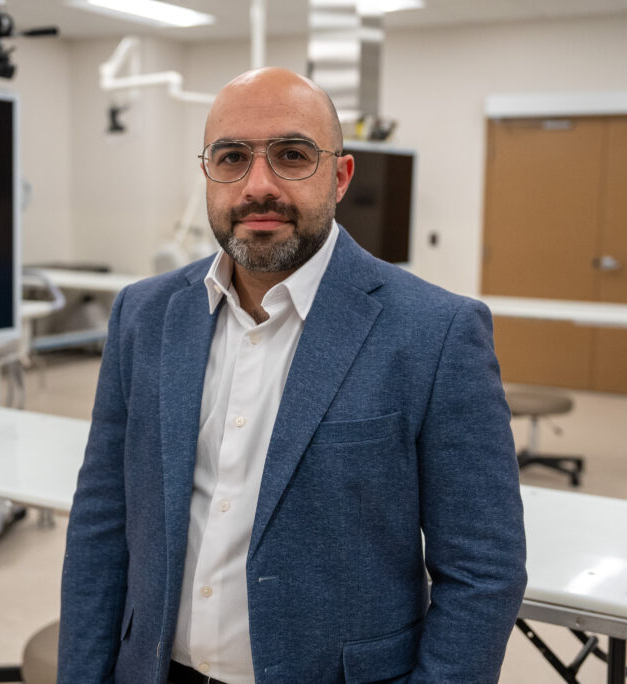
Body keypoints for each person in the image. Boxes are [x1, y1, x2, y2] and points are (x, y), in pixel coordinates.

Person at [58, 67, 527, 684]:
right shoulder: (144, 315)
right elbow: (102, 521)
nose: (258, 186)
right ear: (208, 172)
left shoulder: (435, 333)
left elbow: (483, 570)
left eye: (291, 156)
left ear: (340, 176)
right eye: (231, 158)